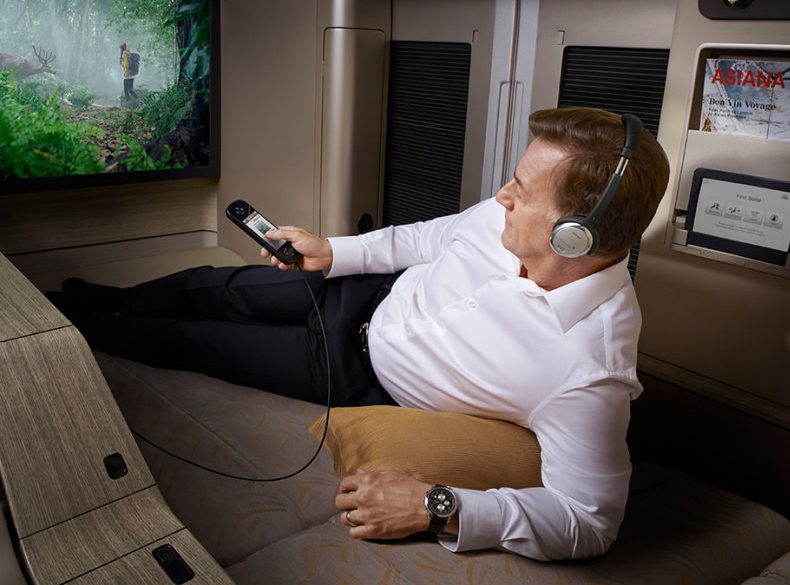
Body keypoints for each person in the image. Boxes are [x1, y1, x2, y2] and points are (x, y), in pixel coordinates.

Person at [50, 106, 670, 561]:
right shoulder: (500, 219)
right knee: (214, 287)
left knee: (198, 342)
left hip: (356, 374)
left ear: (574, 236)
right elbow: (425, 238)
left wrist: (438, 504)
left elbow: (588, 522)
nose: (501, 195)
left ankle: (74, 327)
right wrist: (333, 252)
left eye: (521, 192)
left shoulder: (590, 370)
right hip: (360, 296)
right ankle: (89, 299)